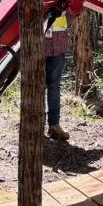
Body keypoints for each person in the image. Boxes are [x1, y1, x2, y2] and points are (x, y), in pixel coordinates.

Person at [45, 13, 70, 141]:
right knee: (37, 88)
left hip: (57, 49)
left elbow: (72, 14)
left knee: (54, 88)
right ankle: (38, 124)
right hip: (39, 50)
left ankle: (54, 125)